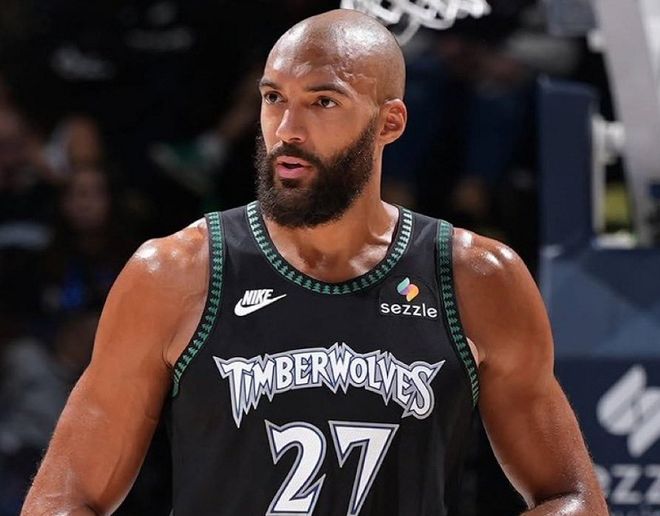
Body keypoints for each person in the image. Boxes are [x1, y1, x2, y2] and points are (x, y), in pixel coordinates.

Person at [22, 9, 607, 516]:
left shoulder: (475, 277)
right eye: (273, 98)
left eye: (323, 101)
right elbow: (62, 498)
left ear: (389, 123)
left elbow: (573, 497)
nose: (287, 130)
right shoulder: (175, 273)